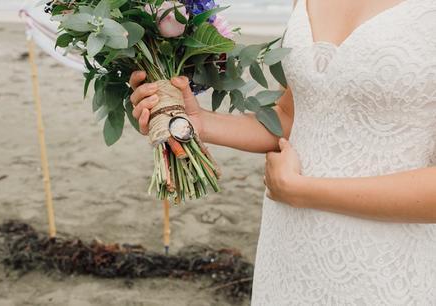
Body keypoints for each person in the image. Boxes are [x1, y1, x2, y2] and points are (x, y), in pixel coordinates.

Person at [129, 0, 436, 303]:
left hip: (388, 264)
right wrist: (198, 121)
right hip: (291, 252)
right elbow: (291, 118)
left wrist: (301, 190)